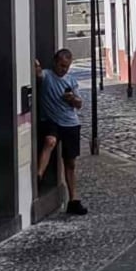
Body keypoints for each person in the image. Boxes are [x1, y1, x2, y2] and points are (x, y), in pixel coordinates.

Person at [36, 48, 87, 215]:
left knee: (70, 163)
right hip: (51, 121)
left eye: (67, 66)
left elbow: (80, 104)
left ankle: (73, 200)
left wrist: (73, 99)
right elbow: (38, 74)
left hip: (71, 124)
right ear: (55, 62)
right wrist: (35, 64)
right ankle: (38, 175)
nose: (63, 69)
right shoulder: (47, 76)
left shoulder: (71, 81)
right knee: (49, 141)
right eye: (61, 65)